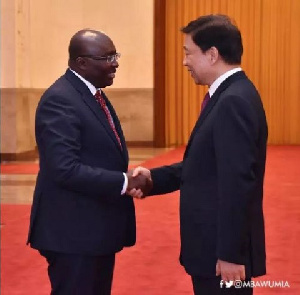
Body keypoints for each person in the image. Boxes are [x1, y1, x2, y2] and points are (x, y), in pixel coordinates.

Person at [129, 15, 268, 295]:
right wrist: (154, 178)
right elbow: (206, 166)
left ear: (213, 54)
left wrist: (230, 254)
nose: (185, 62)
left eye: (188, 53)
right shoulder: (229, 95)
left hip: (221, 258)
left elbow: (237, 183)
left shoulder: (233, 102)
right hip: (213, 251)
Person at [27, 29, 151, 295]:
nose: (115, 63)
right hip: (73, 234)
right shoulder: (60, 99)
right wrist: (124, 181)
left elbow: (95, 154)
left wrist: (125, 176)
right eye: (107, 57)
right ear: (81, 62)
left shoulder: (92, 94)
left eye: (115, 55)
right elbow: (64, 169)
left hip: (93, 231)